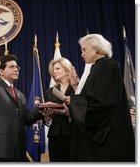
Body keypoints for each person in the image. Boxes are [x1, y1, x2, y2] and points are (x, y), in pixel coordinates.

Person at [68, 34, 135, 162]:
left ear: (97, 49)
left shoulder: (105, 66)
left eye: (84, 50)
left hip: (106, 138)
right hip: (106, 135)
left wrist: (74, 102)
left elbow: (101, 102)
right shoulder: (101, 66)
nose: (82, 54)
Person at [0, 48, 50, 162]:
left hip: (18, 151)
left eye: (17, 67)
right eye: (11, 67)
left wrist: (42, 109)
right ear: (1, 71)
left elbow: (27, 118)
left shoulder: (20, 94)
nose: (16, 69)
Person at [44, 58, 75, 162]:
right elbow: (47, 120)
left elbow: (85, 112)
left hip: (74, 135)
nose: (54, 71)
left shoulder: (78, 89)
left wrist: (69, 114)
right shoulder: (49, 92)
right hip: (55, 136)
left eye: (57, 68)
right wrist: (47, 117)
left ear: (67, 70)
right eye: (53, 69)